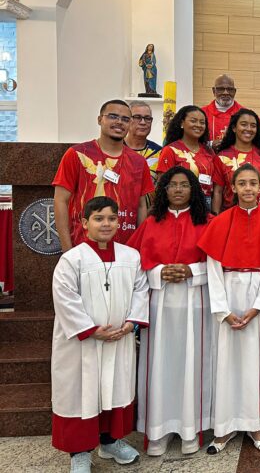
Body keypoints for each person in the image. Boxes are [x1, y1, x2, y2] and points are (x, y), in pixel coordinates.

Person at [198, 163, 260, 454]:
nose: (249, 188)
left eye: (254, 183)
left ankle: (255, 424)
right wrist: (222, 310)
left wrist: (256, 308)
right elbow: (212, 268)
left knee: (257, 362)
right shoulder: (221, 221)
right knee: (225, 362)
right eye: (243, 183)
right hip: (226, 291)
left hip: (256, 296)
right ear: (233, 188)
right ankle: (224, 428)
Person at [51, 196, 149, 473]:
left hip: (119, 338)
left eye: (111, 218)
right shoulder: (72, 260)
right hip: (83, 344)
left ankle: (110, 442)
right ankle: (79, 453)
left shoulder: (131, 256)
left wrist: (131, 323)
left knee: (114, 389)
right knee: (82, 394)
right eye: (98, 218)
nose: (106, 224)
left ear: (119, 221)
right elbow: (65, 299)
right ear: (84, 223)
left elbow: (141, 291)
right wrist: (92, 330)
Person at [127, 167, 212, 457]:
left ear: (193, 189)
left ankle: (191, 429)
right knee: (158, 365)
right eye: (172, 185)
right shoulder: (151, 223)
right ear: (163, 190)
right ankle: (157, 432)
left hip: (194, 301)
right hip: (159, 304)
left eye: (184, 185)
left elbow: (217, 264)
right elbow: (134, 263)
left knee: (193, 363)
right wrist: (160, 272)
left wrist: (192, 270)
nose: (177, 190)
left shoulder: (207, 222)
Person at [53, 99, 155, 251]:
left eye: (126, 119)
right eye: (113, 116)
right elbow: (60, 201)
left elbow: (141, 206)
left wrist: (139, 248)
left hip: (125, 250)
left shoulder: (138, 162)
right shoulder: (77, 154)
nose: (119, 122)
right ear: (100, 119)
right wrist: (67, 250)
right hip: (83, 246)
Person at [158, 105, 225, 213]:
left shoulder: (209, 151)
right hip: (179, 205)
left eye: (202, 122)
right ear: (181, 123)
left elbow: (216, 187)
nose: (198, 125)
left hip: (206, 204)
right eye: (193, 121)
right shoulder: (170, 150)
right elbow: (162, 185)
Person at [216, 108, 260, 211]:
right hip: (233, 214)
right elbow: (218, 192)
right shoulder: (222, 157)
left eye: (253, 126)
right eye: (243, 124)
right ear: (234, 128)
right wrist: (215, 219)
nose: (249, 129)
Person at [201, 74, 244, 144]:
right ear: (214, 91)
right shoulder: (201, 114)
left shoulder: (246, 115)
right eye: (220, 89)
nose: (225, 93)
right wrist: (210, 145)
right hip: (207, 154)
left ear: (235, 92)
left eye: (230, 89)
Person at [125, 101, 162, 174]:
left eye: (147, 118)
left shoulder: (159, 152)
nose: (143, 122)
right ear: (127, 120)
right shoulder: (115, 148)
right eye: (137, 117)